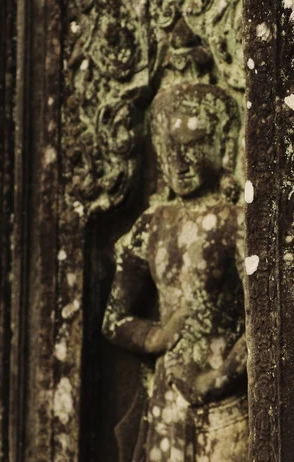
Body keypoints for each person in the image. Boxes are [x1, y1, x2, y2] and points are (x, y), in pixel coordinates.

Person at [102, 82, 248, 462]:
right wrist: (156, 337)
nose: (179, 159)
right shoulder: (153, 222)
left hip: (224, 405)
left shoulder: (235, 222)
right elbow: (114, 320)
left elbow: (263, 322)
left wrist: (216, 380)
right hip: (167, 403)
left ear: (223, 143)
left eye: (193, 143)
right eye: (169, 146)